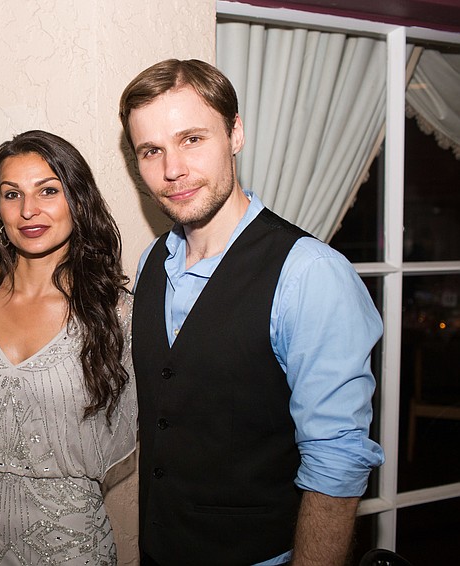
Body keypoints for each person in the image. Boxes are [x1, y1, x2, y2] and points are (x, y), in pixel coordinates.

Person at [118, 59, 384, 565]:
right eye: (151, 150)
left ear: (235, 133)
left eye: (192, 139)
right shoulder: (152, 260)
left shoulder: (310, 274)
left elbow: (337, 465)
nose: (172, 170)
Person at [0, 130, 137, 564]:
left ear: (78, 200)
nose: (28, 210)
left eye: (48, 190)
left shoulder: (116, 313)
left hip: (72, 547)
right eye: (12, 194)